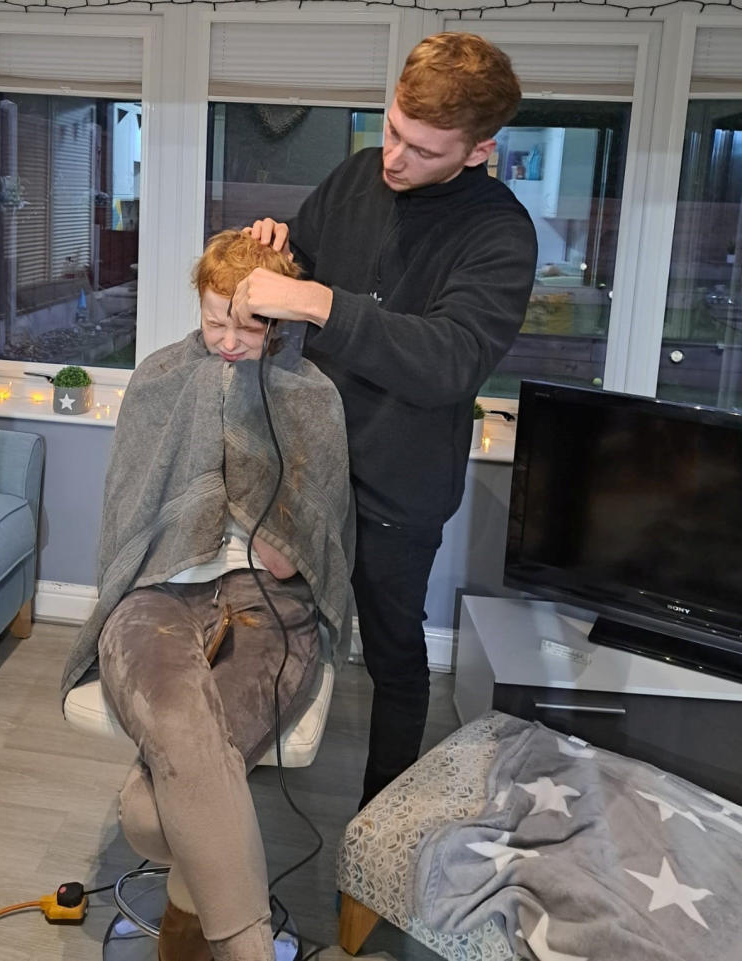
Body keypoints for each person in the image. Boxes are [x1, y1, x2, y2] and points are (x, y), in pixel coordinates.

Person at [229, 32, 538, 808]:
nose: (394, 158)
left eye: (423, 149)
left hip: (399, 493)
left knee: (396, 660)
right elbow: (300, 262)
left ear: (477, 151)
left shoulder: (500, 234)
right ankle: (230, 787)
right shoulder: (359, 175)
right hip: (307, 464)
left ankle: (374, 842)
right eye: (393, 127)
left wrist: (324, 303)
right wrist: (277, 247)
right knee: (269, 622)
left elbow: (447, 360)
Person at [61, 230, 354, 961]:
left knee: (155, 804)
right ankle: (247, 949)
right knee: (185, 730)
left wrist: (280, 535)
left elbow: (313, 541)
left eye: (248, 325)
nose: (227, 340)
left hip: (269, 606)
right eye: (214, 321)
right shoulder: (161, 377)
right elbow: (129, 509)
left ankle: (193, 924)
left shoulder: (312, 395)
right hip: (157, 595)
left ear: (280, 321)